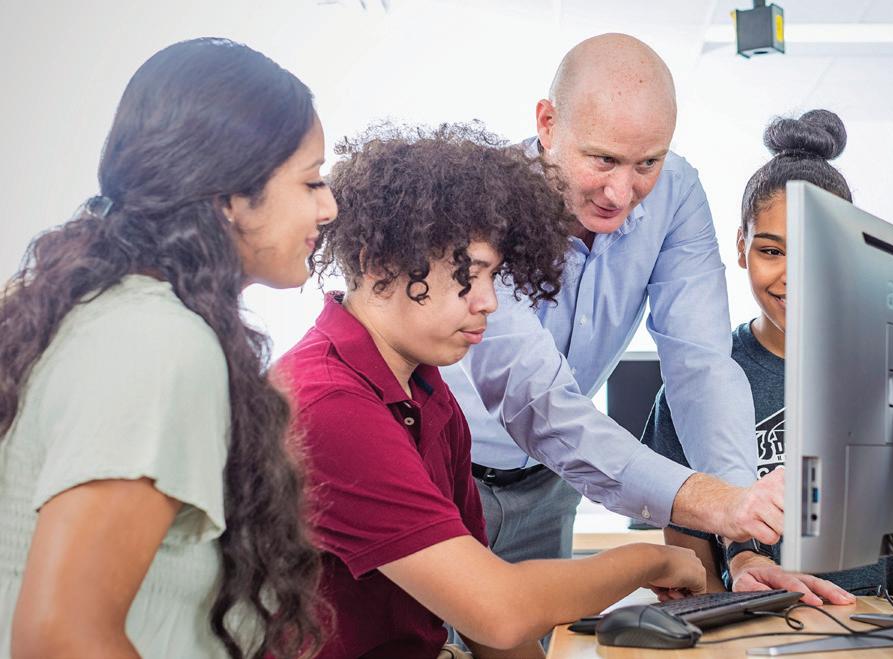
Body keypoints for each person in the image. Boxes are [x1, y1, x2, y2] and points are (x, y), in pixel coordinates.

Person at [276, 123, 706, 659]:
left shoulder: (429, 395)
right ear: (376, 262)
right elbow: (497, 614)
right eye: (470, 275)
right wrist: (652, 561)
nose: (489, 303)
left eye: (494, 277)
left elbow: (492, 635)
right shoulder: (329, 404)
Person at [0, 38, 337, 658]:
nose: (328, 207)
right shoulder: (156, 341)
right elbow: (60, 637)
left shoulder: (116, 314)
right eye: (312, 181)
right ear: (227, 197)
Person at [440, 33, 784, 570]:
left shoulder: (676, 193)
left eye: (647, 163)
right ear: (547, 124)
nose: (621, 193)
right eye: (603, 159)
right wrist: (715, 504)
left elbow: (702, 366)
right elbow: (535, 400)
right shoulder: (482, 201)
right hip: (444, 472)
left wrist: (743, 538)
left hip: (550, 483)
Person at [642, 109, 893, 603]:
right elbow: (689, 547)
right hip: (754, 626)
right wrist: (725, 626)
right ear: (741, 247)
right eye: (771, 251)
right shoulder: (698, 379)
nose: (794, 276)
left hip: (885, 624)